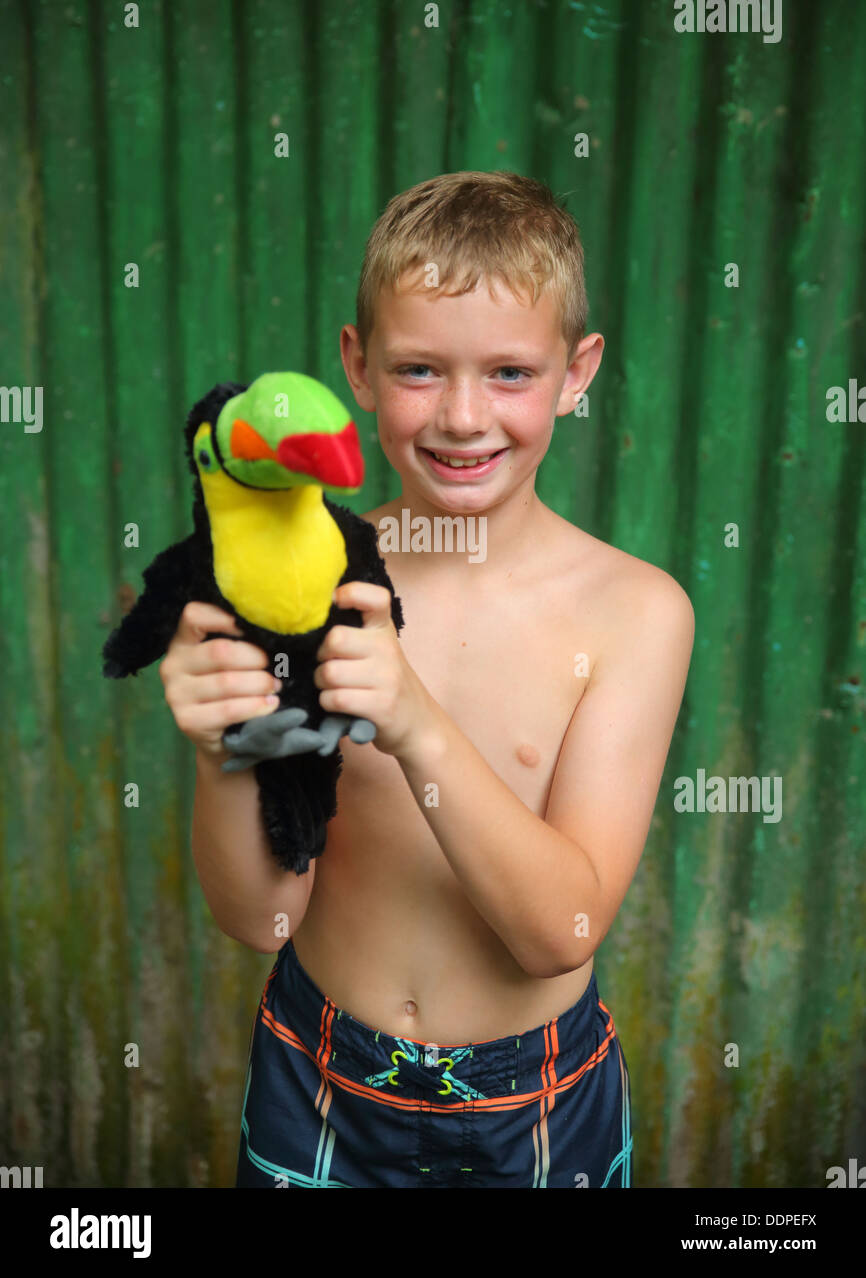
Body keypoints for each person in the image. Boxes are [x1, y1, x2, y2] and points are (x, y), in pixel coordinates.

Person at [159, 170, 695, 1188]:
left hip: (533, 1100)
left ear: (575, 374)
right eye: (417, 369)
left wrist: (411, 718)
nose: (459, 416)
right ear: (356, 366)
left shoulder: (634, 612)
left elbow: (558, 934)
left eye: (507, 373)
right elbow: (258, 917)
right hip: (316, 1070)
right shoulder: (303, 587)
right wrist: (223, 753)